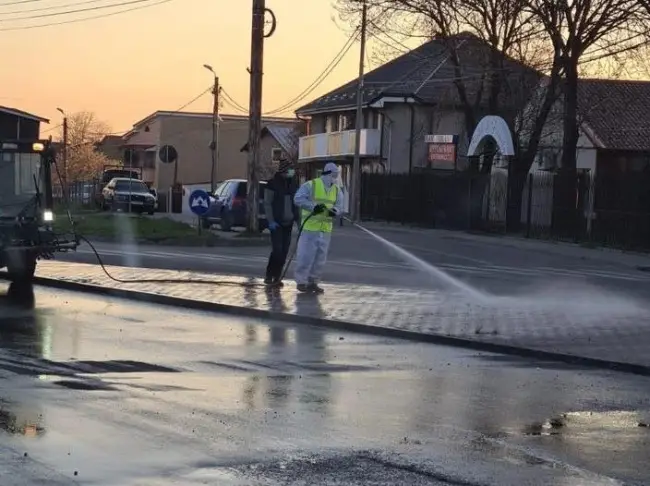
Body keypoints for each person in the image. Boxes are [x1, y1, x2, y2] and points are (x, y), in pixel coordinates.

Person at [293, 162, 344, 293]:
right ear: (327, 174)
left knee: (320, 259)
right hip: (310, 228)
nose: (335, 178)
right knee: (306, 256)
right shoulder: (311, 185)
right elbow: (298, 199)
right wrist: (313, 206)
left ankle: (313, 282)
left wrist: (335, 211)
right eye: (333, 175)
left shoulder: (336, 190)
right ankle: (301, 282)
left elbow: (340, 205)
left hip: (325, 229)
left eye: (336, 175)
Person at [263, 159, 299, 287]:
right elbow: (267, 204)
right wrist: (271, 221)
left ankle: (277, 277)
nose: (292, 172)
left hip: (288, 224)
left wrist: (298, 221)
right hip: (276, 224)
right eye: (290, 169)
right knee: (277, 251)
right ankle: (269, 274)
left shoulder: (293, 184)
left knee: (284, 252)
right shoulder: (272, 184)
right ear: (284, 171)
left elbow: (297, 204)